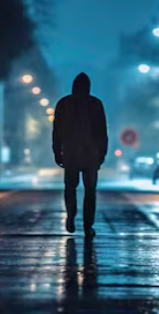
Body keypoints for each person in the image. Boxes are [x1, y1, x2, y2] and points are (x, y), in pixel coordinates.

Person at [52, 72, 108, 238]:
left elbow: (57, 131)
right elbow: (102, 132)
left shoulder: (63, 104)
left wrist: (57, 152)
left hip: (70, 153)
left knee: (70, 188)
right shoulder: (96, 104)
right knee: (90, 191)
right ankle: (87, 225)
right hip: (91, 154)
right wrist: (102, 154)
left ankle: (71, 216)